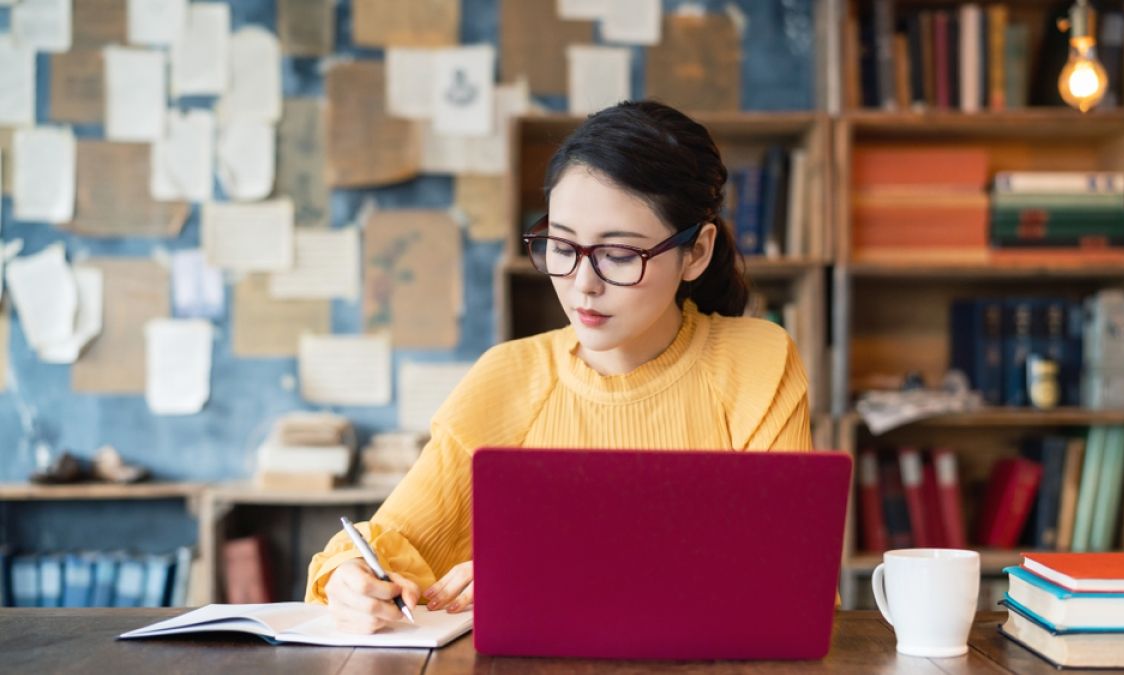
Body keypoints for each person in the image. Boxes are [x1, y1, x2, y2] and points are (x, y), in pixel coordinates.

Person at [305, 100, 813, 634]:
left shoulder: (758, 361)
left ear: (697, 252)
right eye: (561, 245)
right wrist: (348, 577)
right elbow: (395, 541)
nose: (582, 283)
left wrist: (549, 575)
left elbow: (788, 574)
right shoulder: (506, 377)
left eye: (619, 255)